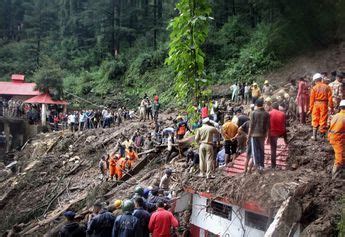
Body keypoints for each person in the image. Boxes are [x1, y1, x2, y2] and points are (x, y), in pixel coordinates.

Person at [309, 73, 334, 140]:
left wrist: (310, 109)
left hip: (316, 104)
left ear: (315, 80)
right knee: (323, 119)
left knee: (315, 118)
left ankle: (314, 136)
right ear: (321, 79)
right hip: (324, 104)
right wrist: (331, 107)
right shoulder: (327, 87)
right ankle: (322, 137)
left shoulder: (314, 88)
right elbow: (330, 98)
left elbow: (311, 100)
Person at [248, 98, 270, 174]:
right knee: (261, 150)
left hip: (254, 135)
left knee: (255, 151)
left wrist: (248, 136)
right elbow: (268, 127)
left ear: (256, 105)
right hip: (262, 135)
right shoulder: (266, 113)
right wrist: (267, 137)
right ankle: (262, 165)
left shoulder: (253, 113)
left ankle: (257, 166)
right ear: (262, 104)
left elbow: (251, 126)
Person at [328, 99, 345, 179]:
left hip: (332, 136)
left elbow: (329, 124)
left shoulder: (335, 115)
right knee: (339, 158)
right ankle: (334, 177)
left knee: (341, 153)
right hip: (338, 139)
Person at [268, 102, 287, 169]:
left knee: (273, 149)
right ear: (278, 108)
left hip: (272, 133)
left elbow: (268, 126)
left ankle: (273, 165)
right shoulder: (282, 114)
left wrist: (267, 137)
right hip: (281, 132)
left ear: (272, 107)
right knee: (285, 129)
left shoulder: (269, 113)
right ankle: (286, 142)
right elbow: (284, 124)